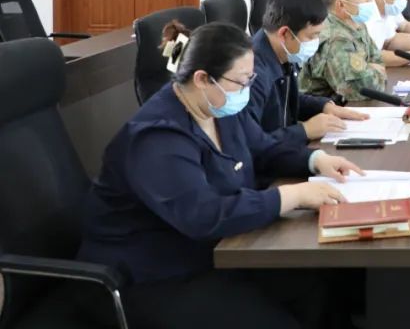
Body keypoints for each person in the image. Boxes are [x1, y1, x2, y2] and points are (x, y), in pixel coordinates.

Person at [78, 21, 361, 329]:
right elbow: (203, 215)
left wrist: (315, 160)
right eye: (241, 81)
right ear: (203, 79)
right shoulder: (157, 137)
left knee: (319, 285)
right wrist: (289, 196)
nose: (247, 90)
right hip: (150, 275)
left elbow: (263, 148)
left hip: (214, 251)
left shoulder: (219, 109)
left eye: (251, 79)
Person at [249, 0, 367, 149]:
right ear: (284, 34)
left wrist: (324, 106)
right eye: (312, 36)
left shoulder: (282, 52)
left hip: (284, 150)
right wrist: (304, 131)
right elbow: (252, 143)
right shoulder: (251, 74)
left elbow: (286, 101)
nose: (316, 41)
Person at [300, 0, 389, 102]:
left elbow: (378, 61)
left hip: (345, 107)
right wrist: (371, 70)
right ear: (341, 4)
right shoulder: (335, 39)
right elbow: (363, 91)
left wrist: (370, 70)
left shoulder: (356, 24)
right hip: (323, 111)